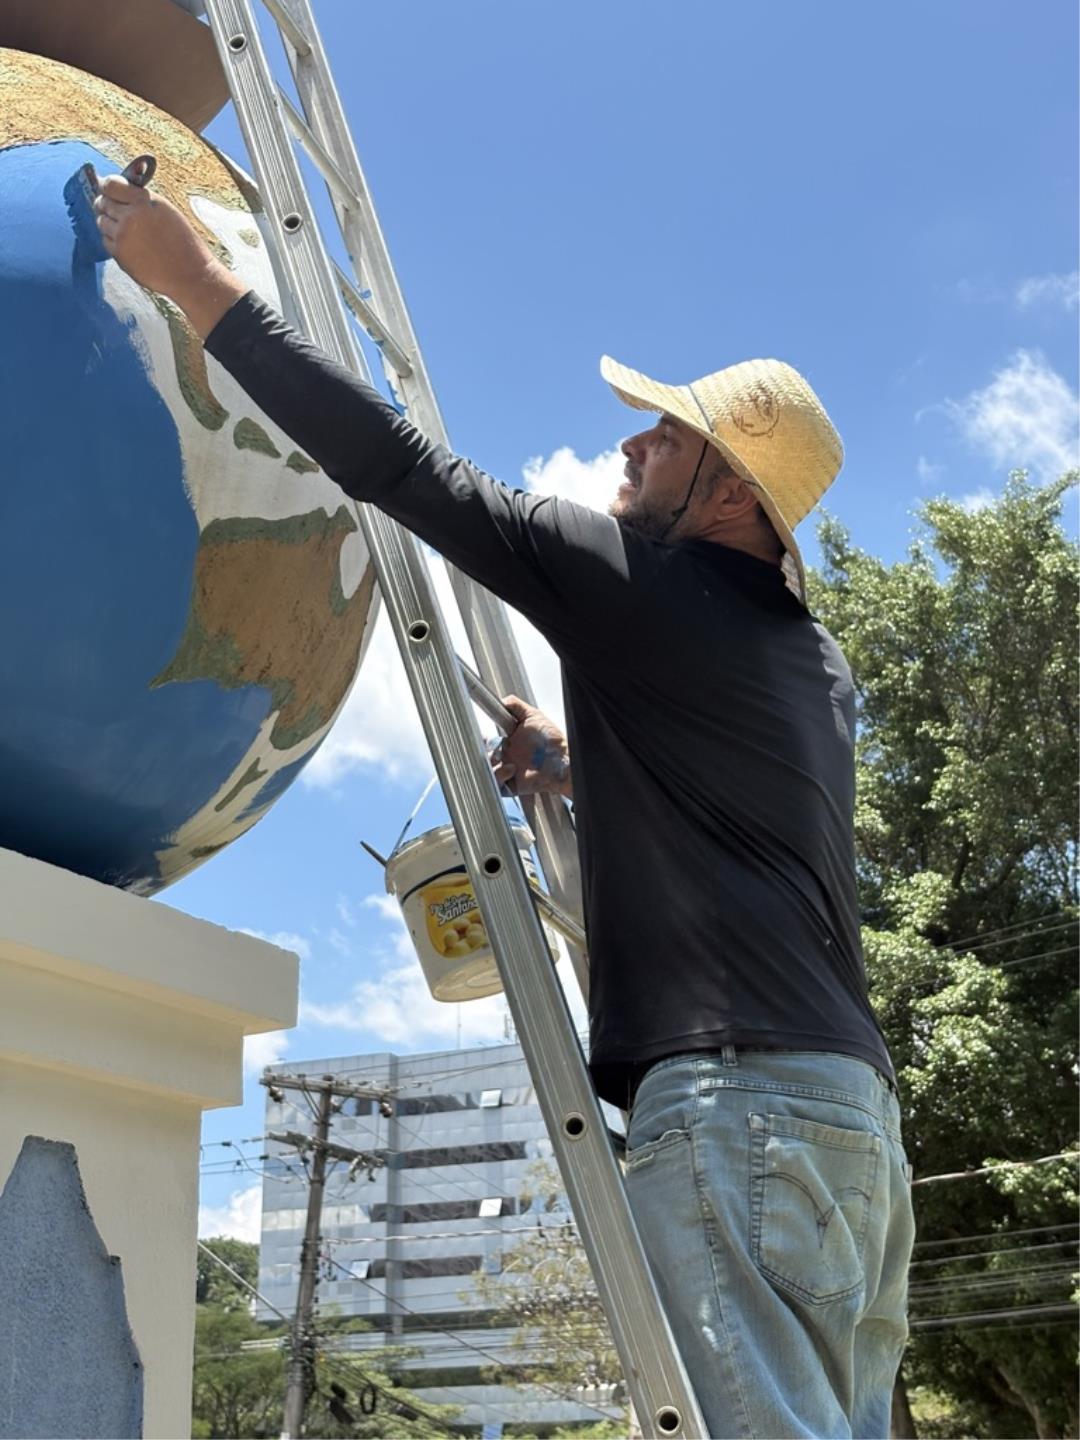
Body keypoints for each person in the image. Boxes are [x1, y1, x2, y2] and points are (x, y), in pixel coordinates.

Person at [94, 173, 916, 1439]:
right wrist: (577, 762)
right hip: (856, 1126)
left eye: (669, 437)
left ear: (733, 498)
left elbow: (405, 472)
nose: (635, 443)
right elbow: (758, 807)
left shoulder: (636, 580)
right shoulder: (816, 664)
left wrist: (192, 280)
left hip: (739, 1106)